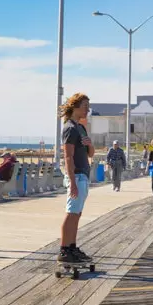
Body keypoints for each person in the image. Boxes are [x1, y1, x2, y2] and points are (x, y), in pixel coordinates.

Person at [57, 93, 94, 265]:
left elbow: (90, 154)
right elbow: (68, 157)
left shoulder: (81, 128)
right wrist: (72, 182)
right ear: (76, 106)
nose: (88, 109)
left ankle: (72, 247)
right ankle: (64, 250)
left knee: (77, 214)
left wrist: (90, 144)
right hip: (76, 176)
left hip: (83, 175)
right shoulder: (70, 128)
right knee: (71, 213)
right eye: (85, 105)